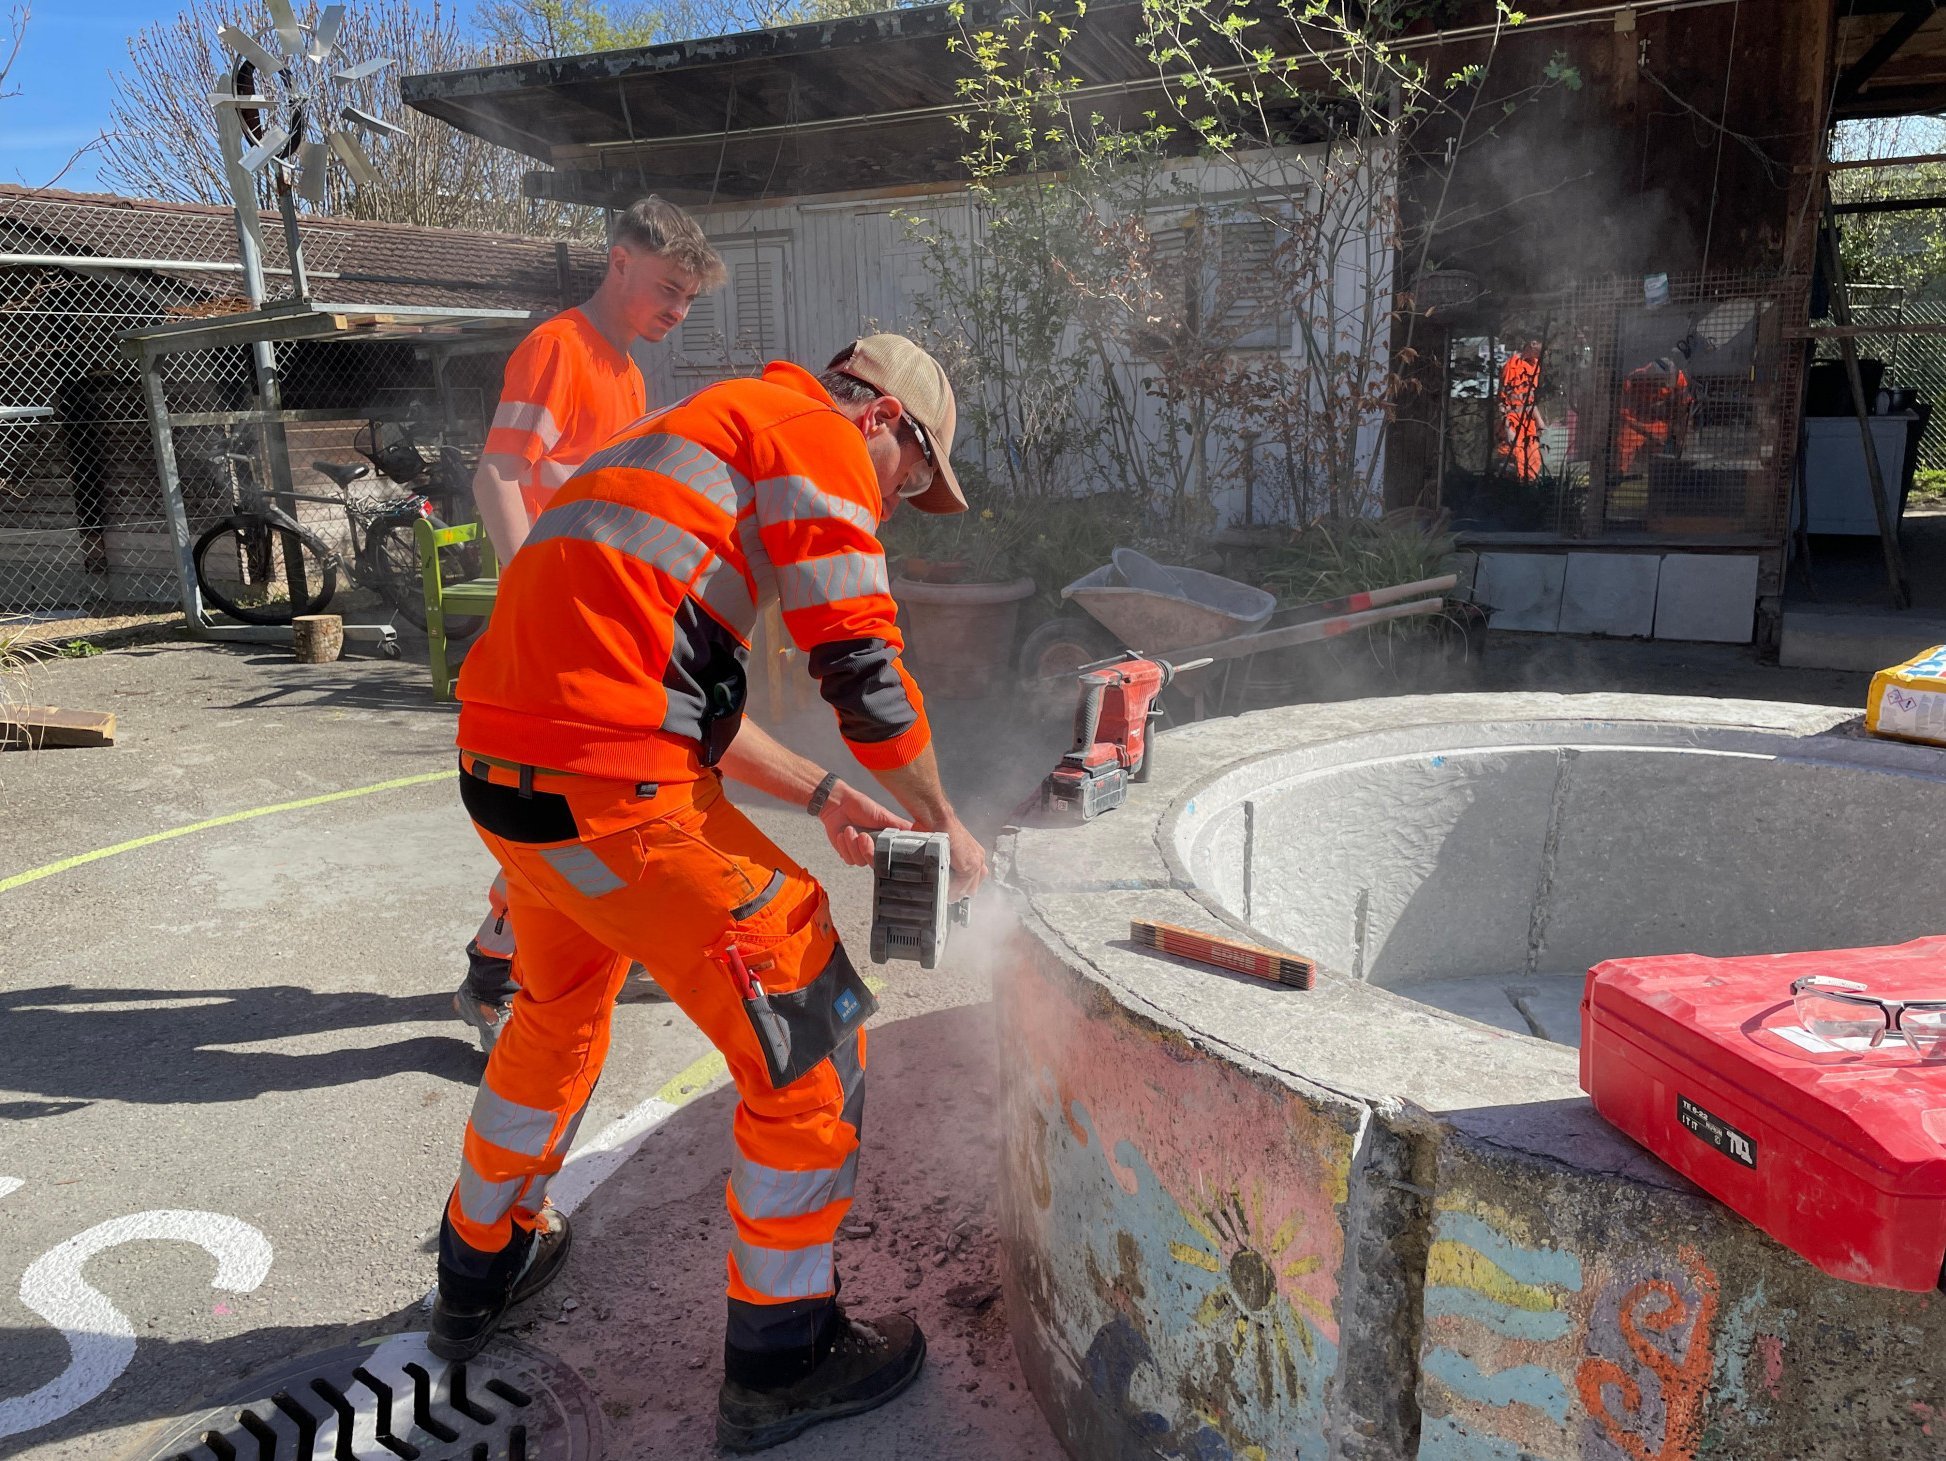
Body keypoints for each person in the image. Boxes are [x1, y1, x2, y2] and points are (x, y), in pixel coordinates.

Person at [428, 334, 988, 1454]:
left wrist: (823, 791)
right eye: (915, 478)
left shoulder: (691, 437)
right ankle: (783, 1356)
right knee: (810, 1036)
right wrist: (944, 820)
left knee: (554, 1011)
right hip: (615, 797)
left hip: (513, 788)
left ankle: (476, 1267)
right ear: (882, 420)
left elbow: (681, 699)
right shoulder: (817, 438)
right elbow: (864, 673)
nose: (900, 502)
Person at [454, 198, 727, 1055]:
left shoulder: (629, 373)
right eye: (667, 290)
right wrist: (530, 590)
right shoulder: (558, 349)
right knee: (553, 800)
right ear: (619, 263)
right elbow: (498, 474)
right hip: (554, 620)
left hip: (596, 617)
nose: (677, 312)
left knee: (586, 798)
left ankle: (549, 949)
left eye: (688, 298)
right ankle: (496, 974)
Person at [1616, 349, 1693, 478]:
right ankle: (1619, 476)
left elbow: (1685, 408)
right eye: (1661, 383)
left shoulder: (1679, 379)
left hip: (1662, 422)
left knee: (1664, 453)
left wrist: (1681, 433)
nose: (1665, 387)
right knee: (1625, 443)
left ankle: (1661, 476)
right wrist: (1648, 432)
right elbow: (1625, 415)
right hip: (1637, 422)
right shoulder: (1634, 381)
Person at [1497, 338, 1544, 483]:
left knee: (1534, 456)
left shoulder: (1534, 365)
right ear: (1533, 343)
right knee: (1515, 457)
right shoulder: (1510, 366)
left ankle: (1530, 487)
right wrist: (1507, 427)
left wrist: (1539, 421)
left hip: (1528, 419)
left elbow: (1531, 397)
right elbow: (1501, 399)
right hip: (1513, 419)